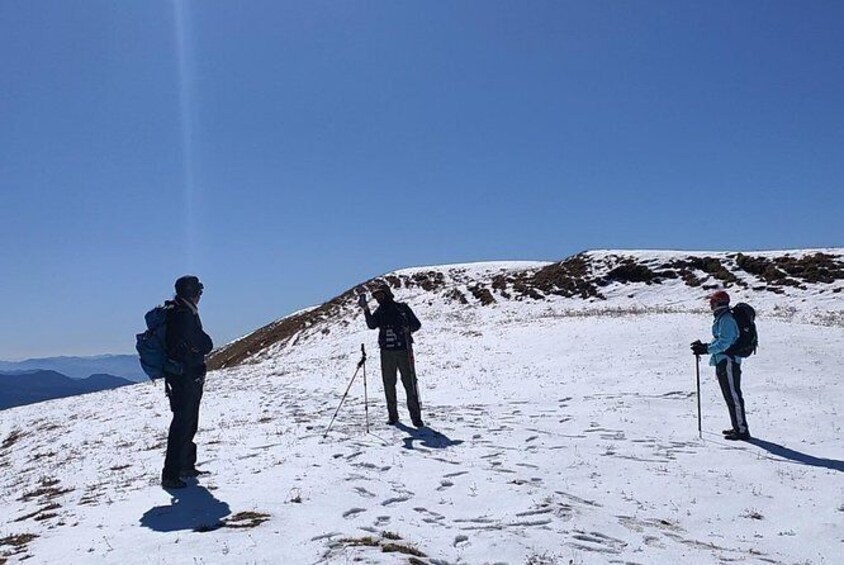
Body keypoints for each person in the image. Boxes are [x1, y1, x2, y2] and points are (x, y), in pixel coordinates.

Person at [161, 275, 213, 489]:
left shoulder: (178, 311)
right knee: (182, 423)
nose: (200, 295)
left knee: (188, 421)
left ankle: (185, 465)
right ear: (192, 292)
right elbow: (202, 342)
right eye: (199, 291)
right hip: (185, 377)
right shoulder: (183, 314)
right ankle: (171, 474)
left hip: (182, 375)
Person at [358, 283, 424, 427]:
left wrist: (407, 329)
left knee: (410, 384)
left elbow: (416, 325)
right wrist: (366, 309)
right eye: (376, 296)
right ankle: (393, 416)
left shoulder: (402, 308)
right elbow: (372, 325)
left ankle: (416, 418)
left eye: (380, 295)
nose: (378, 298)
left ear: (387, 293)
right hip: (386, 352)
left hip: (403, 350)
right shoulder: (380, 311)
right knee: (389, 384)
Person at [691, 290, 750, 441]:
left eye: (712, 301)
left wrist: (706, 349)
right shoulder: (722, 318)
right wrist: (704, 346)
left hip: (729, 361)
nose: (710, 304)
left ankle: (742, 430)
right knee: (730, 396)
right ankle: (738, 427)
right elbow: (721, 340)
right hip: (724, 361)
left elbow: (725, 343)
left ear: (719, 303)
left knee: (734, 396)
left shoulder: (726, 319)